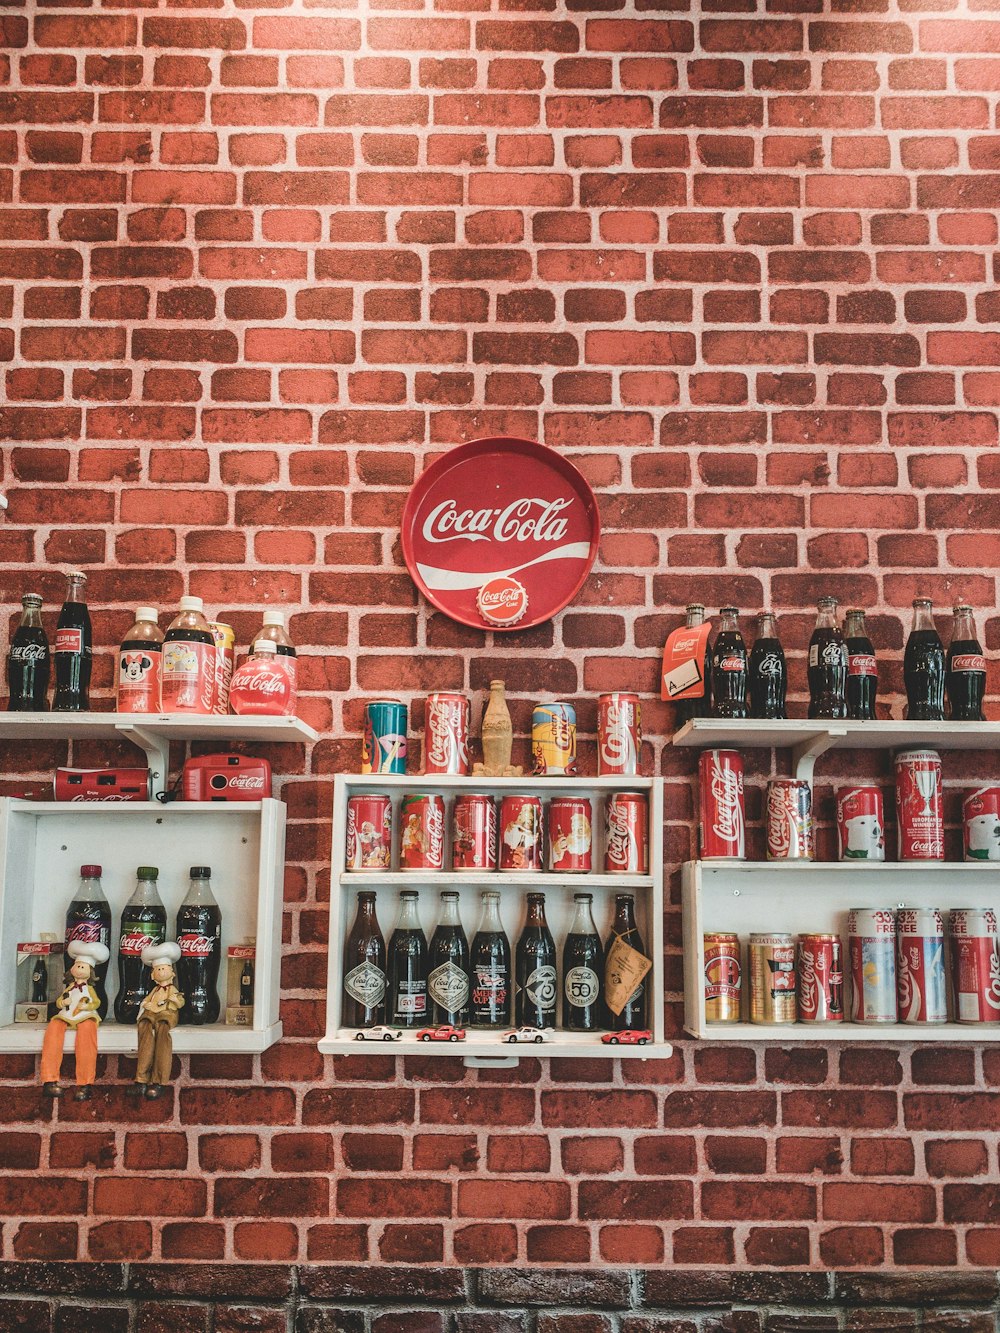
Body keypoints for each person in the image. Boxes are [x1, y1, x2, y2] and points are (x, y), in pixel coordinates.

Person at [40, 940, 109, 1101]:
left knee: (86, 1038)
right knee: (53, 1030)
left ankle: (85, 1084)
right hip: (67, 1014)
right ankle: (49, 1080)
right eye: (77, 966)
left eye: (83, 966)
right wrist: (62, 1003)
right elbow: (59, 1002)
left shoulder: (89, 989)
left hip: (85, 1016)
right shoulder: (69, 988)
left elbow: (96, 1002)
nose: (79, 969)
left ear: (90, 971)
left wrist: (87, 1006)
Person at [132, 941, 184, 1099]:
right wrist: (146, 1004)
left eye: (163, 968)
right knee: (145, 1028)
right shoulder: (154, 990)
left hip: (166, 1014)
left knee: (162, 1034)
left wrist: (171, 1001)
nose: (161, 971)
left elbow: (180, 1002)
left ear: (172, 973)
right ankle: (141, 1079)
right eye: (158, 969)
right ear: (153, 975)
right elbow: (146, 1001)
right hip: (151, 1013)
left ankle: (159, 1080)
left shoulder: (171, 990)